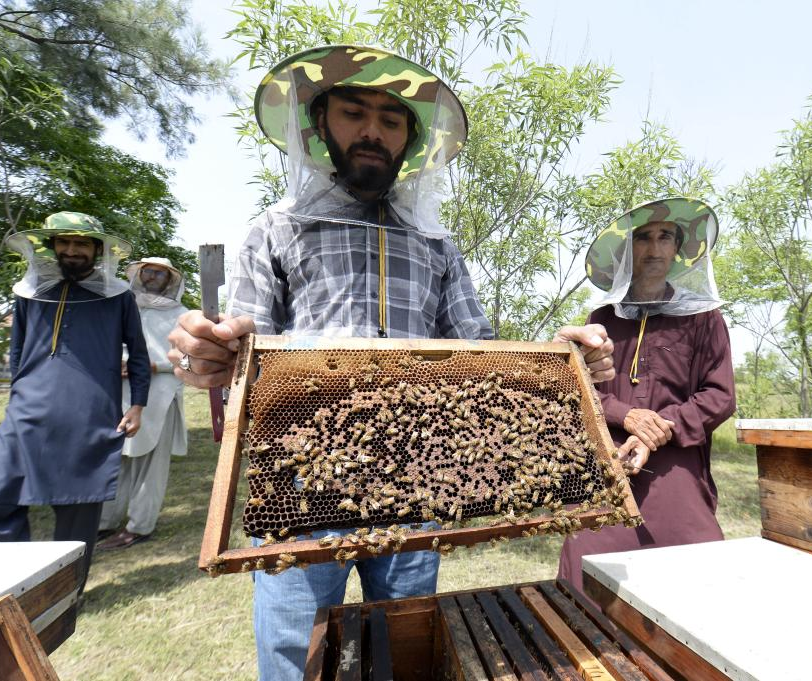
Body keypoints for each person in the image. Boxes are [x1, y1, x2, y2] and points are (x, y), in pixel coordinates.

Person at [166, 45, 615, 679]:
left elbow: (480, 354)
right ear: (320, 125)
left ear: (410, 139)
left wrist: (563, 362)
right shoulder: (276, 229)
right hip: (303, 481)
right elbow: (241, 343)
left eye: (391, 119)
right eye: (354, 113)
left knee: (406, 647)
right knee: (298, 654)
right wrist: (210, 351)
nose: (372, 131)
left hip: (417, 478)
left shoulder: (436, 243)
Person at [558, 197, 736, 595]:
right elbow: (583, 391)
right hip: (608, 463)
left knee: (700, 579)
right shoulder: (601, 319)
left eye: (665, 237)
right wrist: (627, 416)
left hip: (677, 463)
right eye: (643, 238)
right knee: (587, 575)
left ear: (677, 249)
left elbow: (720, 395)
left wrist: (660, 428)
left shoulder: (704, 318)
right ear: (627, 251)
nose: (655, 248)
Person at [0, 212, 150, 590]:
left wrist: (137, 404)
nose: (71, 250)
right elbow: (18, 351)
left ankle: (64, 594)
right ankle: (9, 587)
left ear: (97, 250)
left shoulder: (118, 297)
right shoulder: (30, 292)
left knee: (77, 510)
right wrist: (16, 396)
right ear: (51, 246)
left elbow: (139, 353)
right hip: (27, 409)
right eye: (63, 242)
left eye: (81, 243)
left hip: (90, 412)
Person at [97, 258, 188, 550]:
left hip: (160, 396)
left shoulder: (182, 315)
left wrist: (155, 365)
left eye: (159, 273)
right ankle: (105, 522)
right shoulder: (124, 307)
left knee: (151, 465)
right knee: (117, 459)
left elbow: (189, 360)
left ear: (170, 279)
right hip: (121, 393)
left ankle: (139, 526)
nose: (152, 277)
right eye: (147, 271)